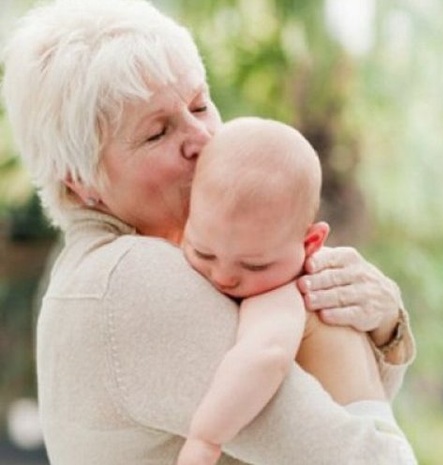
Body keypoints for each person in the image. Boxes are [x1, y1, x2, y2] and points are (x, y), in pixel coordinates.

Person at [0, 1, 415, 464]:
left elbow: (336, 412)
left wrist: (379, 322)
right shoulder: (131, 281)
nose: (202, 137)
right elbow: (357, 453)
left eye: (200, 104)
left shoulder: (145, 267)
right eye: (158, 133)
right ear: (80, 182)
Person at [176, 117, 417, 465]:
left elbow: (263, 356)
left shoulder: (289, 291)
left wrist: (204, 438)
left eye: (254, 265)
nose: (224, 277)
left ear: (311, 242)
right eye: (203, 252)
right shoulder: (284, 270)